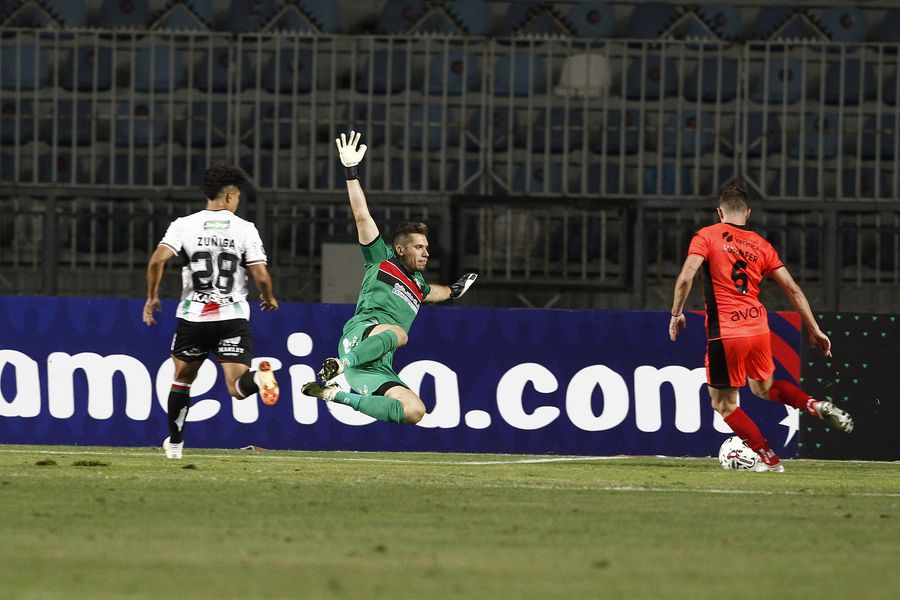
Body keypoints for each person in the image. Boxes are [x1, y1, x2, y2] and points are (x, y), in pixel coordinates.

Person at [669, 184, 853, 472]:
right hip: (758, 327)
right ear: (748, 213)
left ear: (720, 212)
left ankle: (770, 460)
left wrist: (676, 313)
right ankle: (813, 405)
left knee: (724, 404)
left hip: (726, 331)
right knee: (764, 388)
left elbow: (684, 279)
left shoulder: (706, 236)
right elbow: (793, 289)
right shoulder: (760, 244)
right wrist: (815, 329)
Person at [302, 131, 477, 424]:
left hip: (375, 367)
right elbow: (361, 216)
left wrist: (454, 291)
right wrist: (351, 172)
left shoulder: (418, 285)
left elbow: (434, 292)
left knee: (415, 411)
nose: (425, 253)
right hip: (358, 342)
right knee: (399, 333)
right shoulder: (381, 259)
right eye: (419, 247)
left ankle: (334, 395)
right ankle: (338, 366)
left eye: (427, 248)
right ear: (399, 248)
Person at [143, 164, 280, 459]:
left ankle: (176, 446)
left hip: (194, 317)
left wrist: (152, 297)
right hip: (232, 318)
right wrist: (268, 297)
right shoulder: (245, 229)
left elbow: (156, 261)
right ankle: (258, 379)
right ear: (230, 196)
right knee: (236, 388)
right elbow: (262, 277)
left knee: (182, 380)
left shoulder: (184, 225)